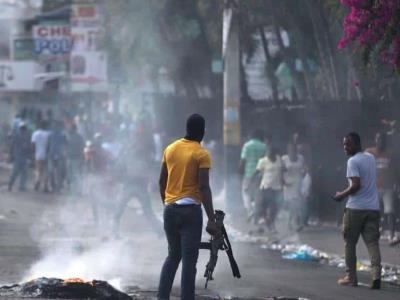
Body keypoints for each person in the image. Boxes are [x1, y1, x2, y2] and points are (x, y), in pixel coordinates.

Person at [157, 114, 219, 300]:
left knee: (173, 256)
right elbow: (203, 187)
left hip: (170, 210)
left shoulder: (170, 149)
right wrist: (211, 218)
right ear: (203, 132)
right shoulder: (201, 153)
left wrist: (168, 204)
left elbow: (161, 181)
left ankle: (162, 297)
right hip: (191, 212)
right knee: (189, 263)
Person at [334, 132, 381, 289]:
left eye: (348, 144)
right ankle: (376, 275)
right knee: (372, 243)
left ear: (356, 144)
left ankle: (351, 277)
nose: (345, 148)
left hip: (355, 208)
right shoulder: (370, 158)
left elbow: (355, 185)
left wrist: (341, 195)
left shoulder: (352, 161)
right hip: (373, 207)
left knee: (350, 242)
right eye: (344, 145)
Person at [366, 132, 397, 243]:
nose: (380, 141)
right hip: (374, 187)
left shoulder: (390, 154)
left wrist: (396, 184)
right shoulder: (370, 152)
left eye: (382, 139)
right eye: (378, 139)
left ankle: (392, 235)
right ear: (375, 140)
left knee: (390, 211)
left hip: (388, 186)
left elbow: (394, 170)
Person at [239, 129, 267, 221]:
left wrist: (240, 172)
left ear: (251, 136)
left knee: (246, 192)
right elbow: (266, 160)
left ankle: (250, 211)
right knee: (257, 194)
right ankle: (256, 213)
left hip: (249, 173)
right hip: (260, 174)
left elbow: (243, 160)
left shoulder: (247, 146)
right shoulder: (264, 146)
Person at [254, 146, 283, 232]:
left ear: (274, 153)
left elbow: (281, 172)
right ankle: (270, 225)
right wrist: (251, 183)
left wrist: (283, 184)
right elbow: (256, 172)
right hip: (266, 187)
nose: (269, 153)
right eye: (268, 152)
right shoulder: (263, 161)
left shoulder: (278, 159)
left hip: (277, 187)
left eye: (271, 152)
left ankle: (270, 223)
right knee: (270, 206)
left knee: (275, 208)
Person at [282, 142, 306, 231]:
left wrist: (303, 175)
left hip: (298, 184)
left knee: (297, 205)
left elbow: (303, 169)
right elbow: (280, 171)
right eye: (291, 149)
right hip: (288, 185)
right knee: (290, 205)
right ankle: (290, 223)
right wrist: (283, 182)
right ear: (288, 150)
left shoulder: (301, 158)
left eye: (294, 149)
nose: (293, 151)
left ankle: (295, 223)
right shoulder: (284, 159)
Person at [8, 123, 31, 191]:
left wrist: (11, 154)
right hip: (21, 157)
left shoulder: (17, 135)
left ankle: (14, 185)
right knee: (21, 172)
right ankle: (19, 186)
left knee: (18, 172)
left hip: (18, 156)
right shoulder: (26, 136)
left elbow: (11, 144)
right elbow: (28, 147)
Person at [48, 121, 68, 193]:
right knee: (57, 172)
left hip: (54, 154)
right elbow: (66, 144)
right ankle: (57, 188)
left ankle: (54, 187)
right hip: (58, 155)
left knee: (52, 172)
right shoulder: (62, 134)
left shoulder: (51, 134)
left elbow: (48, 143)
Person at [31, 121, 50, 192]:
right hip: (46, 155)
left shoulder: (35, 133)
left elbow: (33, 145)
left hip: (38, 154)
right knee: (45, 171)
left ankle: (37, 183)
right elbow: (49, 145)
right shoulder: (48, 134)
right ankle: (45, 186)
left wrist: (33, 153)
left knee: (38, 170)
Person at [66, 123, 85, 194]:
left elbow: (82, 148)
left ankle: (79, 190)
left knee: (76, 174)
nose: (69, 129)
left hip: (76, 158)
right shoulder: (68, 136)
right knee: (70, 174)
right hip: (70, 158)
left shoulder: (79, 137)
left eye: (70, 128)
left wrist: (82, 157)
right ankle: (72, 189)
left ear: (74, 129)